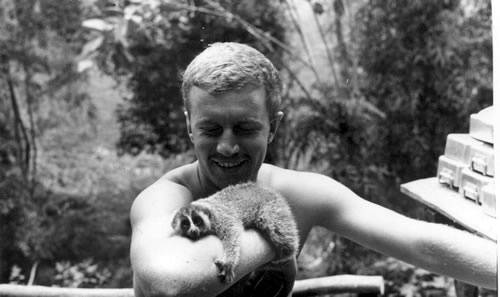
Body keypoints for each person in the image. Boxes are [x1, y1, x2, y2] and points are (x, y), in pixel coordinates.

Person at [129, 42, 497, 297]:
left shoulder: (298, 192)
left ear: (273, 126)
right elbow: (169, 284)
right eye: (210, 129)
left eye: (245, 128)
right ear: (189, 126)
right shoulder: (168, 197)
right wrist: (270, 222)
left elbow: (423, 243)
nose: (227, 146)